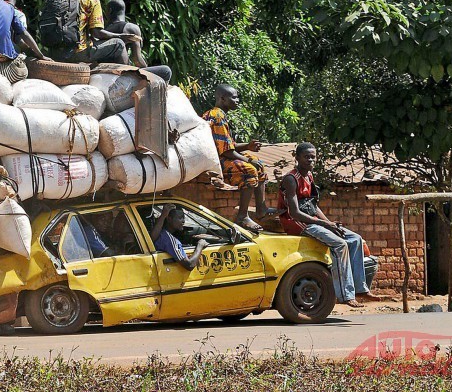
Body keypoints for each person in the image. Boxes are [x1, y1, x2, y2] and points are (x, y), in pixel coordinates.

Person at [277, 142, 382, 307]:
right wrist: (324, 224)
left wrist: (329, 223)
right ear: (297, 158)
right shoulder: (291, 179)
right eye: (306, 157)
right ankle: (346, 296)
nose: (310, 160)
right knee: (340, 245)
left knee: (355, 239)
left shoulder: (309, 177)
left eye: (313, 157)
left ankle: (360, 288)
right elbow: (295, 213)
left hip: (311, 220)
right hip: (296, 223)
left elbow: (313, 206)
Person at [202, 84, 279, 232]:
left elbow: (228, 145)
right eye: (234, 97)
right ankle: (242, 216)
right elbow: (225, 152)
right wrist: (249, 161)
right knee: (249, 169)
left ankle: (261, 208)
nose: (237, 100)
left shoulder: (220, 115)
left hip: (221, 156)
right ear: (223, 98)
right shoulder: (217, 116)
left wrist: (248, 147)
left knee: (258, 163)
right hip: (214, 162)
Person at [47, 0, 141, 64]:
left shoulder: (54, 1)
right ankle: (126, 75)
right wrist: (121, 36)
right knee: (118, 43)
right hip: (78, 53)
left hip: (53, 53)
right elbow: (97, 33)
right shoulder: (91, 0)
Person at [105, 0, 172, 83]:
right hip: (122, 72)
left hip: (107, 71)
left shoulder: (104, 31)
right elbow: (137, 60)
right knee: (166, 71)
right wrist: (146, 70)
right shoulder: (131, 28)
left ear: (110, 10)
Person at [150, 204, 208, 271]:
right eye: (180, 218)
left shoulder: (161, 234)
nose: (183, 221)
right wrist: (200, 245)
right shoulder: (170, 240)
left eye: (183, 218)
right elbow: (189, 265)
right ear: (169, 219)